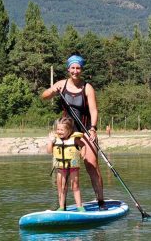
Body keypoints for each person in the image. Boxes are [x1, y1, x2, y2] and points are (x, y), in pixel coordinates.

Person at [42, 54, 107, 211]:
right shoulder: (61, 84)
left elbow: (94, 110)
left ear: (81, 69)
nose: (75, 71)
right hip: (66, 134)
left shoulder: (87, 87)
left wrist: (93, 128)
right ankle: (62, 206)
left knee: (92, 166)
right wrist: (52, 91)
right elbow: (43, 96)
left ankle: (101, 201)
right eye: (73, 68)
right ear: (68, 69)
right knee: (62, 169)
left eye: (78, 68)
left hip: (85, 133)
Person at [46, 117, 85, 211]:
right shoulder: (55, 139)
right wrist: (50, 141)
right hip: (60, 166)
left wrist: (82, 155)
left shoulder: (75, 140)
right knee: (61, 187)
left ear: (69, 130)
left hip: (73, 165)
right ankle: (61, 207)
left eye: (62, 130)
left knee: (75, 185)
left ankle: (80, 207)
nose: (59, 132)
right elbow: (49, 151)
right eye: (58, 129)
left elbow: (83, 145)